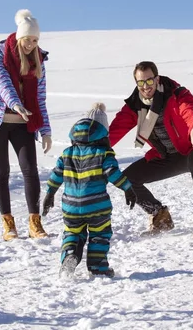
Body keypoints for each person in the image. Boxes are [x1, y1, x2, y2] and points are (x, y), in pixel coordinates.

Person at [108, 61, 193, 238]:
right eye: (140, 83)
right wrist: (94, 147)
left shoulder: (176, 94)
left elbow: (190, 110)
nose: (145, 87)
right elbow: (115, 130)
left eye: (149, 81)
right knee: (126, 179)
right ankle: (160, 215)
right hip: (167, 156)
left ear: (157, 79)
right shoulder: (135, 105)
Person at [0, 9, 53, 241]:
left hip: (23, 122)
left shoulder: (39, 61)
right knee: (2, 171)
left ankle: (34, 222)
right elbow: (2, 83)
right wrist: (16, 104)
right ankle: (8, 225)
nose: (32, 44)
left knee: (30, 169)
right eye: (28, 39)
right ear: (20, 37)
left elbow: (40, 99)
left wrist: (46, 130)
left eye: (36, 40)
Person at [42, 102, 136, 278]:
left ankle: (70, 255)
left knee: (72, 232)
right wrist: (128, 188)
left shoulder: (67, 154)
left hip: (70, 207)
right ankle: (97, 266)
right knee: (100, 233)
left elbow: (56, 175)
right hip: (96, 206)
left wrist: (49, 194)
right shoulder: (103, 153)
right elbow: (113, 173)